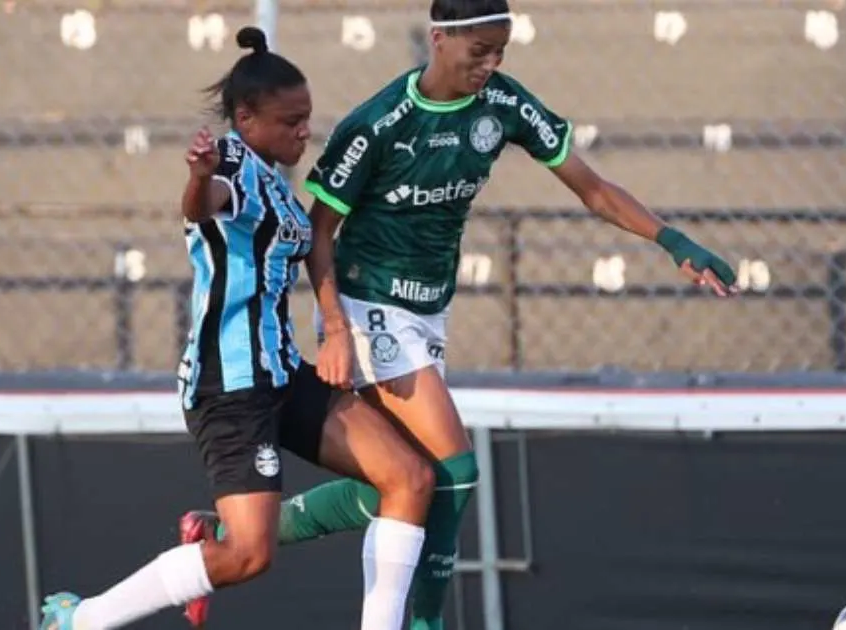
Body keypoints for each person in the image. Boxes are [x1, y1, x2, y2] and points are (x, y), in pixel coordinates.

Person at [181, 1, 740, 629]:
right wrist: (336, 326)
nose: (490, 64)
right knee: (454, 467)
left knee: (403, 486)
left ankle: (228, 529)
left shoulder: (502, 105)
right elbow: (319, 229)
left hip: (427, 312)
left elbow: (593, 188)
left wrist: (672, 242)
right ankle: (421, 623)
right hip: (370, 305)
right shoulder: (378, 123)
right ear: (439, 39)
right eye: (480, 51)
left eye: (500, 52)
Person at [38, 26, 437, 630]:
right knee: (248, 556)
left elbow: (310, 249)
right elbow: (204, 204)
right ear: (246, 119)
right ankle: (81, 620)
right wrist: (197, 177)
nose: (303, 131)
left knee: (409, 477)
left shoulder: (274, 177)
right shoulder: (230, 163)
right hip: (230, 390)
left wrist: (333, 327)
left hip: (281, 372)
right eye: (290, 121)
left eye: (306, 118)